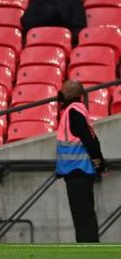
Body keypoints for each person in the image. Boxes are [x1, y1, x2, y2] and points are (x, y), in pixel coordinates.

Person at [55, 80, 105, 243]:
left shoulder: (73, 111)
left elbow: (90, 138)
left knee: (83, 218)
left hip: (78, 172)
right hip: (76, 172)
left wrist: (99, 162)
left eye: (63, 90)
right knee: (82, 218)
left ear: (70, 94)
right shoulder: (73, 111)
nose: (60, 93)